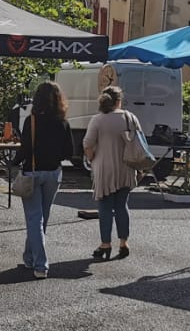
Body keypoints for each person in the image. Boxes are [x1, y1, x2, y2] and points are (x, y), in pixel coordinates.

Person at [15, 81, 75, 279]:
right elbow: (69, 152)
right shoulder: (62, 122)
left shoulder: (31, 121)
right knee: (41, 218)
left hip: (33, 172)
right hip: (53, 173)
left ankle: (40, 264)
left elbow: (24, 149)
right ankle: (29, 257)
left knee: (34, 219)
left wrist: (14, 162)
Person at [83, 85, 139, 260]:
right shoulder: (130, 117)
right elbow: (139, 142)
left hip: (104, 169)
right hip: (127, 168)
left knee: (105, 207)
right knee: (122, 205)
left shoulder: (98, 120)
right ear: (119, 101)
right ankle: (124, 243)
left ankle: (105, 244)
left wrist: (91, 158)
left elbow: (88, 144)